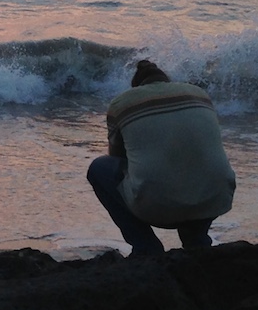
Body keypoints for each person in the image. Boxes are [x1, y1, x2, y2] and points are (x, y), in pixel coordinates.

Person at [87, 59, 236, 256]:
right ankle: (197, 240)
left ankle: (145, 246)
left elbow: (117, 158)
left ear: (137, 86)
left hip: (157, 207)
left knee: (99, 169)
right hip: (215, 197)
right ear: (167, 81)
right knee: (196, 165)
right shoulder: (200, 94)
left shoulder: (122, 103)